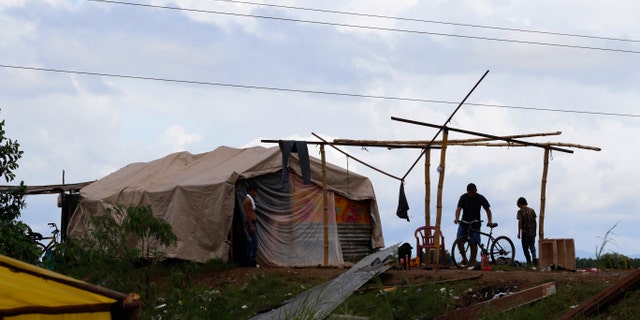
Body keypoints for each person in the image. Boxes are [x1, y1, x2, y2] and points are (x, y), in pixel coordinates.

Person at [454, 183, 493, 267]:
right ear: (467, 192)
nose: (471, 194)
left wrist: (489, 221)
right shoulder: (463, 197)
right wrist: (457, 218)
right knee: (459, 240)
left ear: (476, 191)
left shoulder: (480, 198)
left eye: (473, 193)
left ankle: (472, 262)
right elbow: (458, 209)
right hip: (464, 223)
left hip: (475, 224)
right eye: (469, 193)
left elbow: (488, 210)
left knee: (474, 243)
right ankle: (465, 259)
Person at [516, 197, 537, 266]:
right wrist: (535, 232)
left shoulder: (520, 212)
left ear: (520, 204)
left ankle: (528, 262)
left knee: (525, 248)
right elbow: (535, 222)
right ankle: (534, 259)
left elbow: (520, 222)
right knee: (532, 246)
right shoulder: (532, 210)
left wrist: (519, 232)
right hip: (532, 231)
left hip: (525, 232)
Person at [243, 180, 259, 267]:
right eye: (254, 191)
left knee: (251, 243)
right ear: (250, 191)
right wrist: (251, 225)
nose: (255, 193)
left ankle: (250, 261)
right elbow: (248, 214)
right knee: (253, 243)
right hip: (250, 224)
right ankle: (251, 262)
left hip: (251, 223)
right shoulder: (248, 200)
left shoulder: (249, 200)